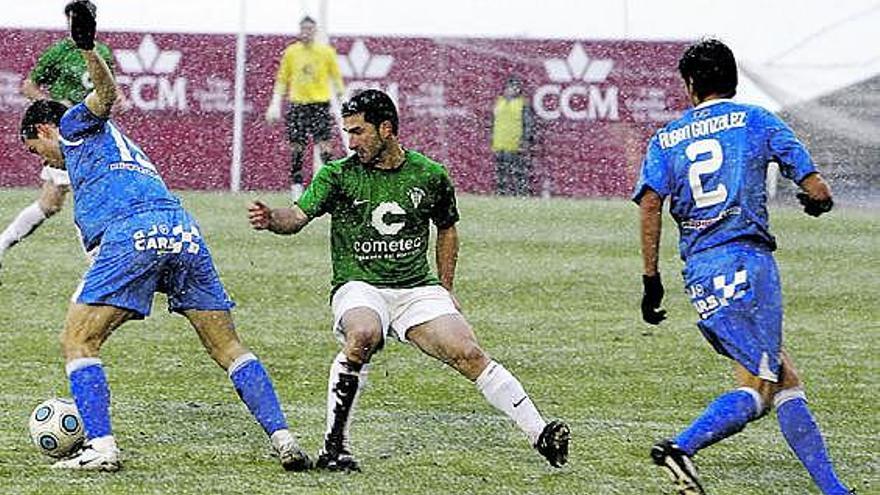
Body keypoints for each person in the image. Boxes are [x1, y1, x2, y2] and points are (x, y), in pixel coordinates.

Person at [19, 1, 310, 472]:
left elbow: (106, 95)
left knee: (77, 341)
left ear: (45, 127)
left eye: (38, 150)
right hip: (183, 232)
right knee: (227, 347)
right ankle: (284, 439)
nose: (44, 162)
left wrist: (88, 48)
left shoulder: (74, 124)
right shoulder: (117, 147)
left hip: (132, 235)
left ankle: (101, 447)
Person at [249, 89, 570, 472]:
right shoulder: (338, 175)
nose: (350, 142)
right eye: (347, 132)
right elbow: (298, 217)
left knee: (468, 352)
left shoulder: (429, 175)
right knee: (363, 335)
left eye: (358, 132)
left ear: (386, 128)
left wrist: (446, 289)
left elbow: (447, 228)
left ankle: (541, 434)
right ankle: (335, 447)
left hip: (417, 288)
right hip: (360, 285)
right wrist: (273, 220)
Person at [633, 39, 852, 495]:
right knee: (760, 386)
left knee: (784, 377)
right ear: (731, 79)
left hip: (700, 271)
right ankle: (681, 448)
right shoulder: (756, 120)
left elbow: (650, 202)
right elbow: (818, 189)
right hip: (748, 264)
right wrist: (815, 202)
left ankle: (834, 490)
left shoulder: (667, 138)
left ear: (691, 85)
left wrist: (650, 279)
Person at [0, 0, 120, 274]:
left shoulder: (101, 51)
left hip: (86, 138)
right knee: (63, 201)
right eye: (72, 18)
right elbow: (29, 86)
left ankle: (99, 271)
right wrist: (54, 109)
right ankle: (99, 271)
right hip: (64, 139)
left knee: (58, 202)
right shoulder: (59, 52)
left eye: (81, 18)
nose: (74, 24)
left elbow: (107, 87)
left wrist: (118, 98)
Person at [265, 15, 345, 203]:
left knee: (325, 148)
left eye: (310, 29)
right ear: (299, 30)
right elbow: (282, 78)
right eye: (303, 29)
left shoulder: (326, 52)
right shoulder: (292, 52)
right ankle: (297, 188)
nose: (306, 32)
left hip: (319, 104)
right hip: (298, 105)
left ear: (315, 31)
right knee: (297, 149)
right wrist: (275, 102)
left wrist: (344, 98)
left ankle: (332, 188)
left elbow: (336, 78)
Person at [491, 76, 534, 196]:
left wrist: (525, 141)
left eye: (515, 87)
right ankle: (501, 193)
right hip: (499, 143)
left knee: (518, 171)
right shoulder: (499, 102)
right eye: (509, 87)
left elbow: (528, 124)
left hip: (515, 144)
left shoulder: (522, 104)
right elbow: (493, 122)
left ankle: (520, 193)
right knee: (501, 171)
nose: (511, 90)